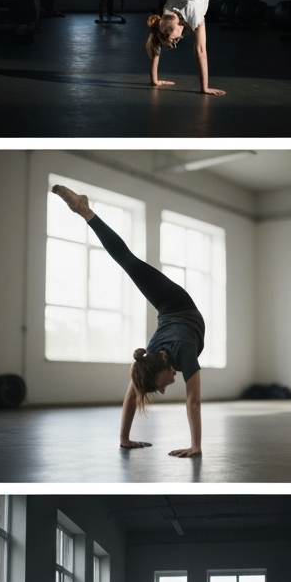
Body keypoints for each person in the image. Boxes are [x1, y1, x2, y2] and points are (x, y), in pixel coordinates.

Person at [52, 184, 204, 457]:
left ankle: (84, 210)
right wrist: (124, 438)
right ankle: (85, 210)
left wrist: (196, 447)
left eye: (158, 386)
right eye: (160, 388)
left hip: (176, 303)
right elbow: (133, 395)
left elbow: (193, 402)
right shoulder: (151, 359)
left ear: (162, 367)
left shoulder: (183, 352)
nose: (163, 389)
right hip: (171, 310)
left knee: (130, 263)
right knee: (129, 263)